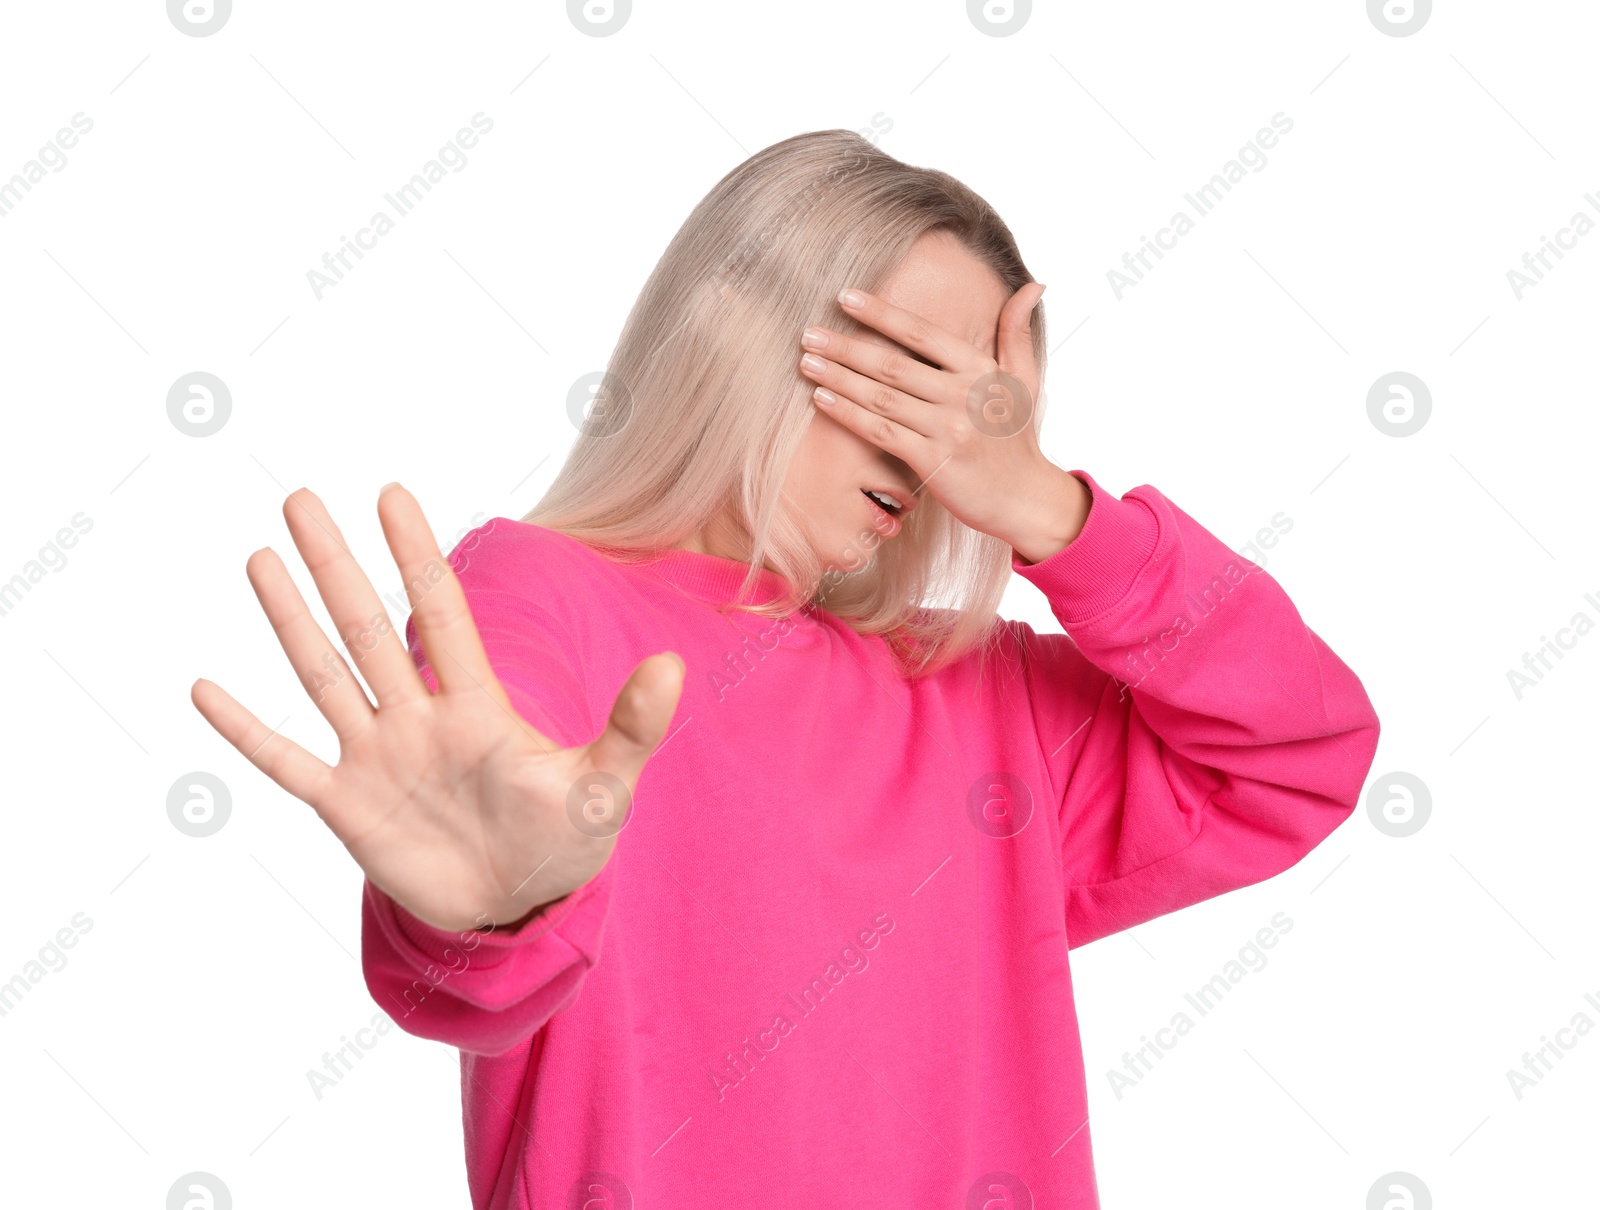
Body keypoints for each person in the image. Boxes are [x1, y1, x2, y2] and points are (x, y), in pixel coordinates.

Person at [191, 129, 1380, 1209]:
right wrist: (505, 900)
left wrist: (1054, 511)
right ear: (741, 331)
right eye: (910, 374)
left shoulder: (976, 688)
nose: (942, 440)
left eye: (985, 405)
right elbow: (468, 973)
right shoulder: (537, 591)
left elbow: (1298, 753)